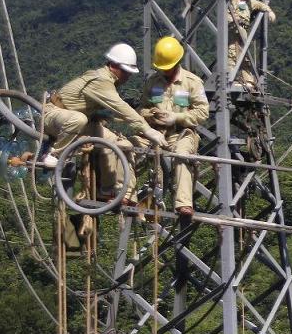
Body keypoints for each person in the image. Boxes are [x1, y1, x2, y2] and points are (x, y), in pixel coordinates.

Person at [40, 42, 168, 204]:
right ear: (114, 66)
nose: (128, 77)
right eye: (125, 72)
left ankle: (107, 190)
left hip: (77, 120)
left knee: (119, 143)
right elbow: (120, 107)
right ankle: (54, 154)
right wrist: (147, 129)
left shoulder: (109, 82)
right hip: (55, 116)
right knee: (79, 119)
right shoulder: (101, 80)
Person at [139, 36, 209, 219]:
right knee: (129, 148)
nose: (165, 71)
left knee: (181, 154)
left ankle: (183, 203)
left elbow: (202, 113)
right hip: (154, 133)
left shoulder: (192, 83)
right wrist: (151, 115)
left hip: (182, 133)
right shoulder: (152, 82)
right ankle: (125, 194)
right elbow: (142, 108)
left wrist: (177, 117)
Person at [227, 0, 276, 90]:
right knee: (233, 54)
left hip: (244, 31)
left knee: (245, 57)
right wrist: (234, 21)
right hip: (234, 31)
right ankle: (230, 79)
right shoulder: (234, 0)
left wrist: (269, 11)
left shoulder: (249, 2)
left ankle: (248, 80)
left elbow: (260, 5)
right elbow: (227, 15)